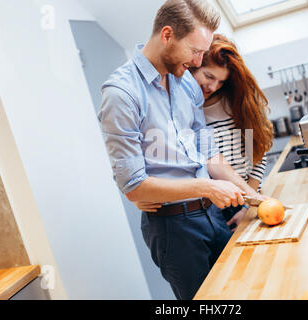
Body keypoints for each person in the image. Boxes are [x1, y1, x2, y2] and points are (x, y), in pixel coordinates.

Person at [97, 0, 266, 300]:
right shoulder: (121, 94)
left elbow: (210, 155)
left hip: (212, 216)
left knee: (243, 290)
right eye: (195, 51)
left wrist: (254, 197)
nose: (199, 62)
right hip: (172, 229)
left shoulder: (186, 82)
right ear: (167, 35)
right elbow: (135, 187)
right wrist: (206, 187)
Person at [190, 34, 274, 230]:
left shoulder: (237, 104)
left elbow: (258, 156)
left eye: (220, 82)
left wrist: (247, 205)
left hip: (248, 200)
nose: (213, 87)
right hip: (213, 211)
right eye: (209, 76)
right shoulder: (188, 112)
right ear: (194, 66)